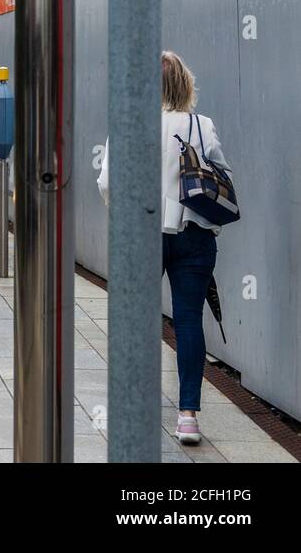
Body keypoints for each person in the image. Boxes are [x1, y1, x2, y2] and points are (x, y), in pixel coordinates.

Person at [97, 50, 229, 447]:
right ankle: (188, 416)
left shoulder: (128, 122)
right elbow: (222, 176)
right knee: (188, 320)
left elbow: (107, 182)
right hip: (194, 237)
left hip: (142, 236)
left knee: (135, 320)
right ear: (185, 84)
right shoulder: (201, 125)